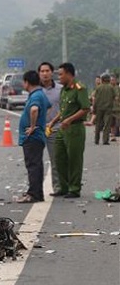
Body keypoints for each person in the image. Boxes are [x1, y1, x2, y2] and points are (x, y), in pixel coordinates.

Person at [47, 62, 90, 198]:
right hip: (62, 128)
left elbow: (85, 109)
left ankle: (74, 189)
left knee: (74, 159)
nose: (59, 77)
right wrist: (53, 121)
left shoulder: (79, 89)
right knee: (59, 157)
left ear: (69, 74)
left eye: (61, 74)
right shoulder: (64, 90)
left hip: (75, 128)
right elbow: (63, 110)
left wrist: (69, 120)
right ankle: (63, 187)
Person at [17, 70, 50, 203]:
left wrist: (32, 126)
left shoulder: (36, 96)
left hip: (33, 137)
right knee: (36, 165)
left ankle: (34, 194)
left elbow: (34, 109)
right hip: (38, 135)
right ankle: (37, 192)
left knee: (33, 165)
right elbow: (47, 106)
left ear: (27, 82)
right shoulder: (40, 94)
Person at [38, 62, 62, 195]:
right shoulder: (36, 90)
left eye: (47, 71)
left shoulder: (60, 89)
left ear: (52, 72)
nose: (45, 73)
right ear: (39, 73)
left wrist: (53, 123)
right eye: (42, 71)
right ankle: (36, 189)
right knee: (35, 162)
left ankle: (58, 187)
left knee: (56, 160)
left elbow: (63, 109)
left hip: (55, 128)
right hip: (38, 130)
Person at [92, 74, 116, 145]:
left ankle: (96, 140)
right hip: (108, 109)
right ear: (108, 79)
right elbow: (114, 97)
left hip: (99, 108)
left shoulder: (98, 88)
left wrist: (94, 108)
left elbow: (95, 99)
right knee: (107, 124)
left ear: (102, 79)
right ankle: (105, 140)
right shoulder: (111, 88)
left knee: (98, 124)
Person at [111, 74, 120, 142]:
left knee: (118, 122)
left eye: (113, 80)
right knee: (112, 123)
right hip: (111, 107)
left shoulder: (118, 88)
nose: (112, 81)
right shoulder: (109, 88)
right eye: (111, 80)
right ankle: (113, 136)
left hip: (118, 108)